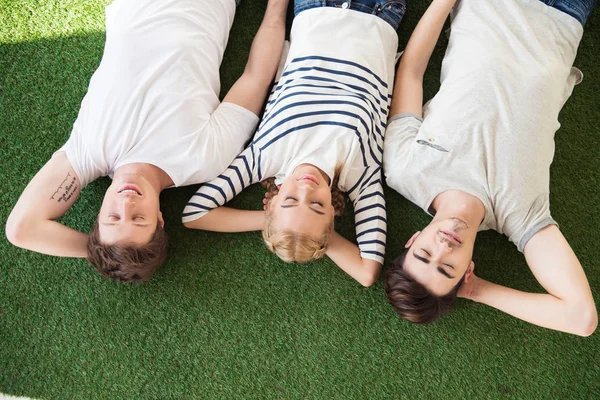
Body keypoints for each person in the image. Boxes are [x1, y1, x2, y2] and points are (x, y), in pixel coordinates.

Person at [5, 0, 289, 282]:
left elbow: (21, 229)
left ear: (99, 216)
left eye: (113, 218)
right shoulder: (203, 159)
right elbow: (256, 77)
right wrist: (278, 5)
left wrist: (106, 251)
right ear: (161, 220)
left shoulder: (88, 154)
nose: (127, 203)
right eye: (139, 219)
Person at [383, 0, 597, 335]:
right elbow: (581, 318)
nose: (442, 248)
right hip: (564, 11)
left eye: (424, 254)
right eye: (447, 269)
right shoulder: (519, 215)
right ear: (467, 269)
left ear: (413, 240)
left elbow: (411, 70)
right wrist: (474, 289)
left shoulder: (404, 169)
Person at [182, 0, 407, 286]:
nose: (306, 188)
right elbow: (366, 273)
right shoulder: (359, 178)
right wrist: (317, 235)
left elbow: (195, 214)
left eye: (290, 200)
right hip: (379, 12)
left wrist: (274, 224)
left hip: (316, 7)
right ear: (334, 213)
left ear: (271, 202)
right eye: (317, 206)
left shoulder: (265, 158)